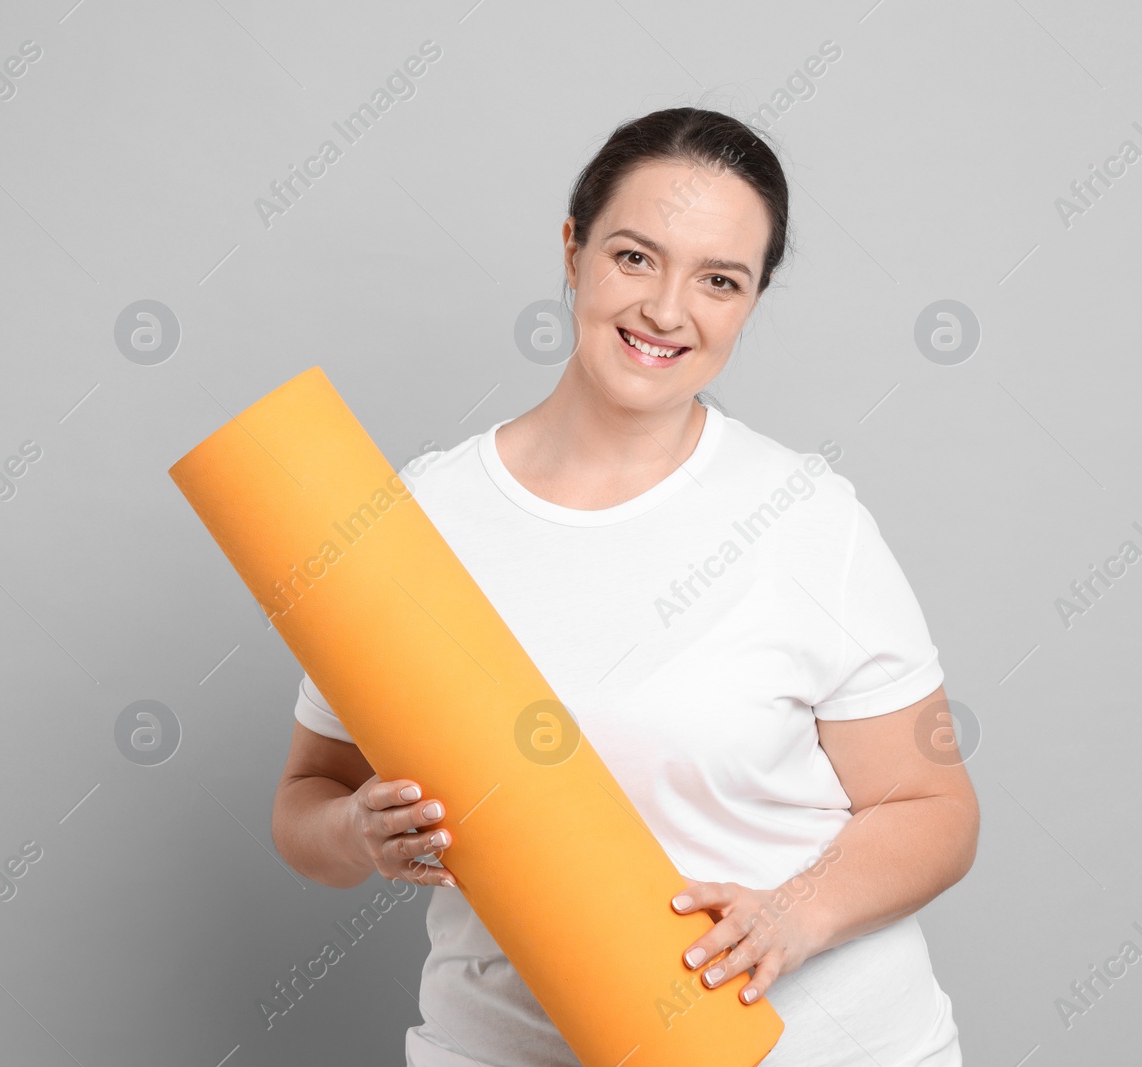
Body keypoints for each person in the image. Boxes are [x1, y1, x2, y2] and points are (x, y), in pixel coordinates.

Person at [270, 107, 979, 1066]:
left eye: (719, 280)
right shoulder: (411, 519)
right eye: (636, 258)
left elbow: (934, 810)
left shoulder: (805, 517)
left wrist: (793, 916)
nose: (666, 311)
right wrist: (358, 832)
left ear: (750, 303)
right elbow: (307, 801)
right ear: (574, 252)